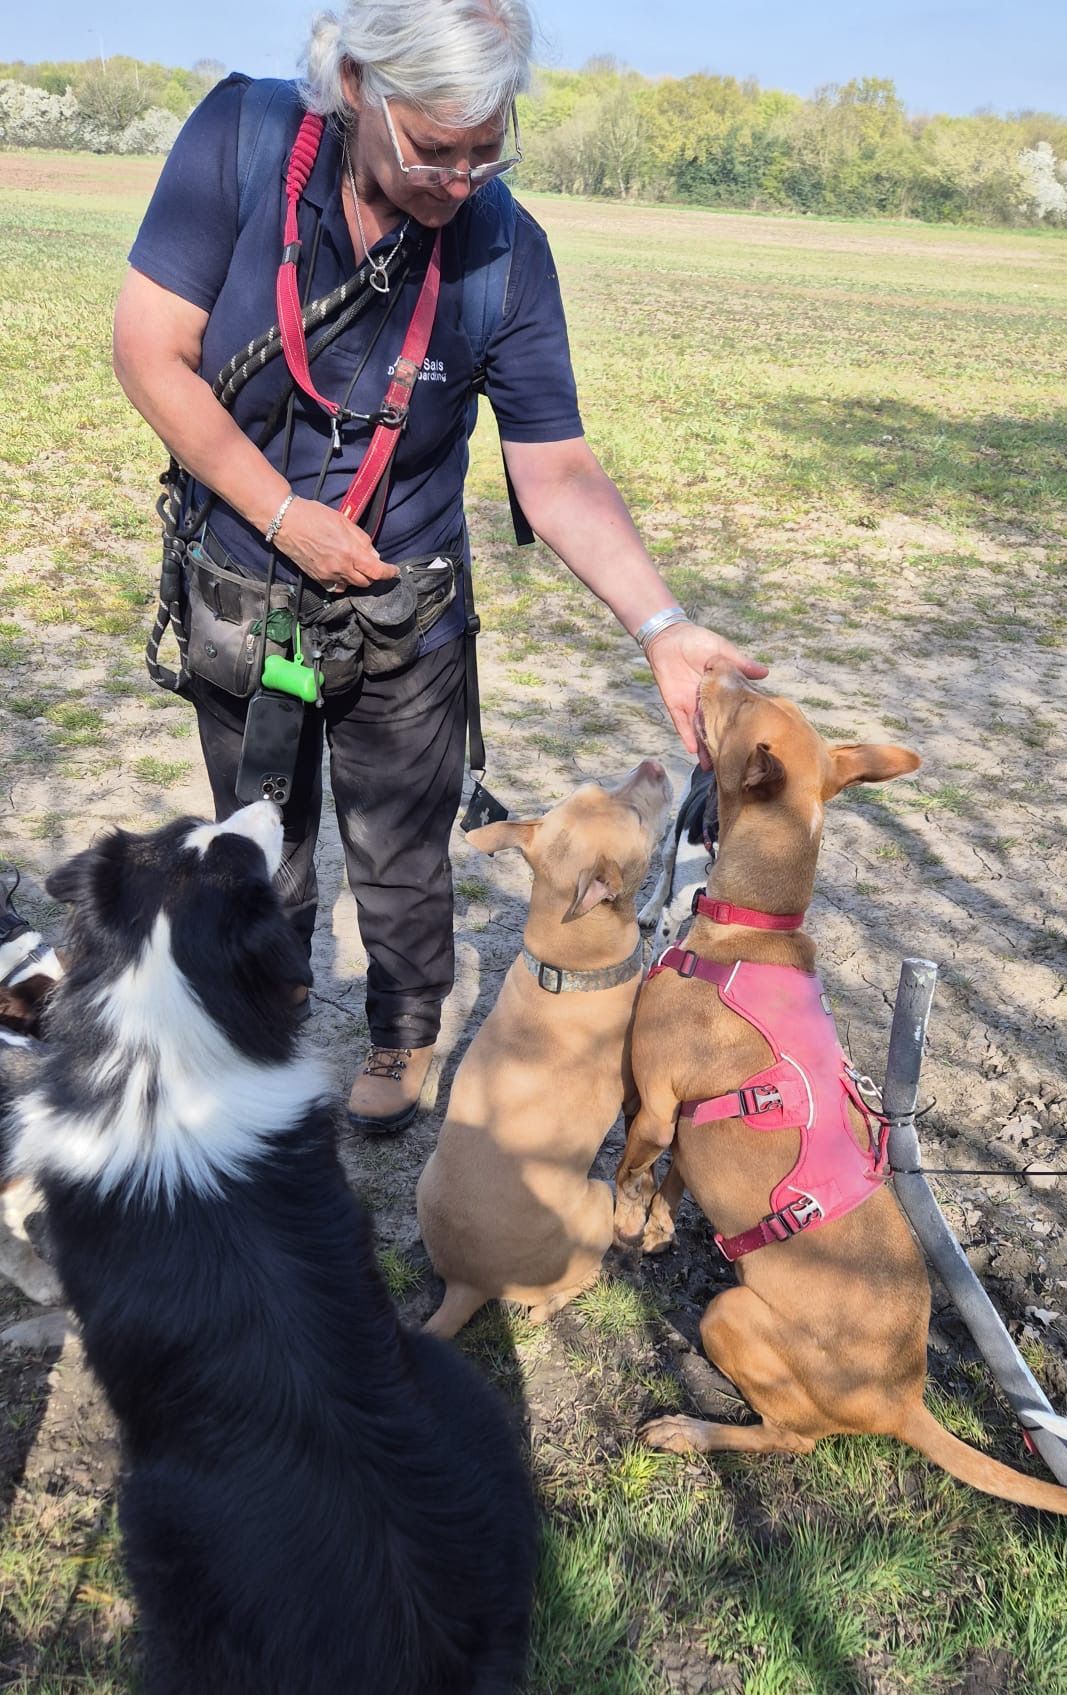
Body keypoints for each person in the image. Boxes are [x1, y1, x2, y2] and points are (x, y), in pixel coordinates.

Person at [113, 0, 765, 1134]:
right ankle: (269, 1008)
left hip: (400, 601)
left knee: (403, 842)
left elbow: (554, 469)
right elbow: (149, 351)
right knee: (261, 828)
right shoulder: (240, 142)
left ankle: (402, 1032)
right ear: (355, 83)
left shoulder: (506, 250)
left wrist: (661, 625)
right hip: (242, 579)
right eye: (433, 148)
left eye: (487, 147)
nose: (460, 179)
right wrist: (281, 512)